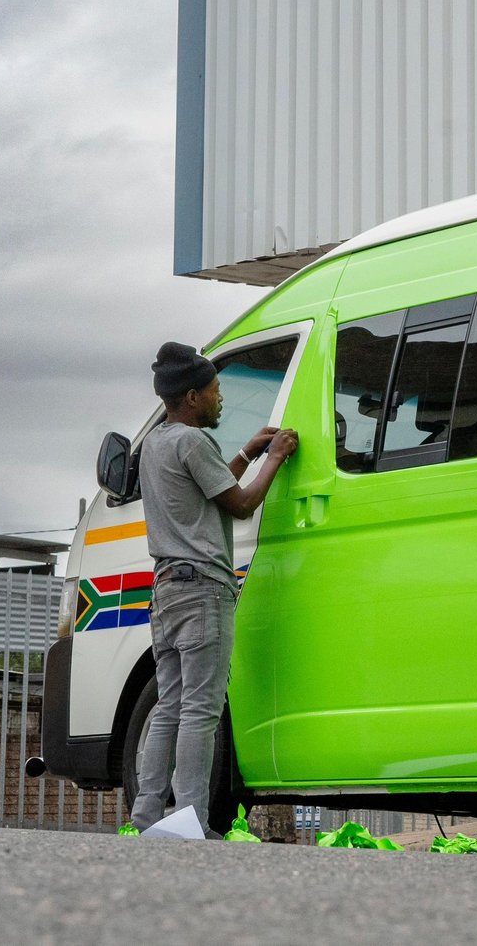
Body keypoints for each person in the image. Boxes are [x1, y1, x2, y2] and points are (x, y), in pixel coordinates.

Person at [130, 341, 298, 833]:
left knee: (169, 705)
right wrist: (277, 458)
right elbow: (241, 504)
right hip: (204, 590)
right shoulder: (192, 441)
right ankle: (190, 820)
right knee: (202, 710)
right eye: (215, 390)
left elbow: (213, 488)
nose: (220, 398)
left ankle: (145, 816)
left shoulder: (156, 445)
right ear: (191, 397)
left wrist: (248, 452)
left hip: (165, 591)